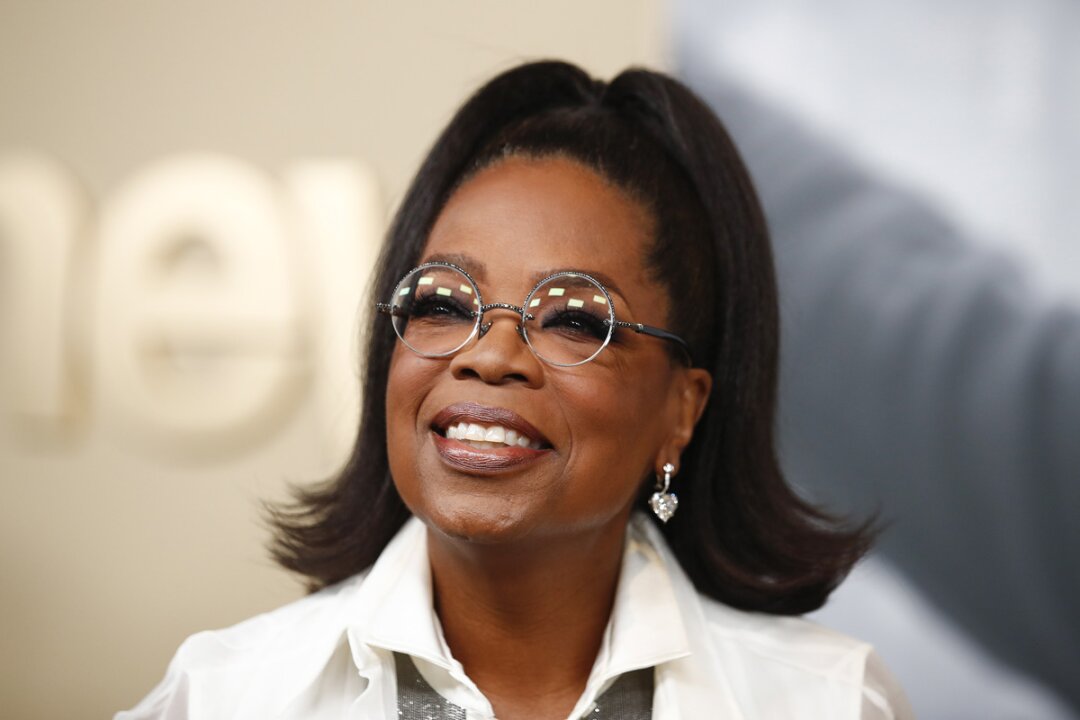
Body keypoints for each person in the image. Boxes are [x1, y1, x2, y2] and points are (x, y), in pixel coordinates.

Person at [118, 60, 911, 719]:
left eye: (573, 319)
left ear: (682, 409)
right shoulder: (224, 695)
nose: (491, 355)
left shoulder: (828, 702)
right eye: (442, 303)